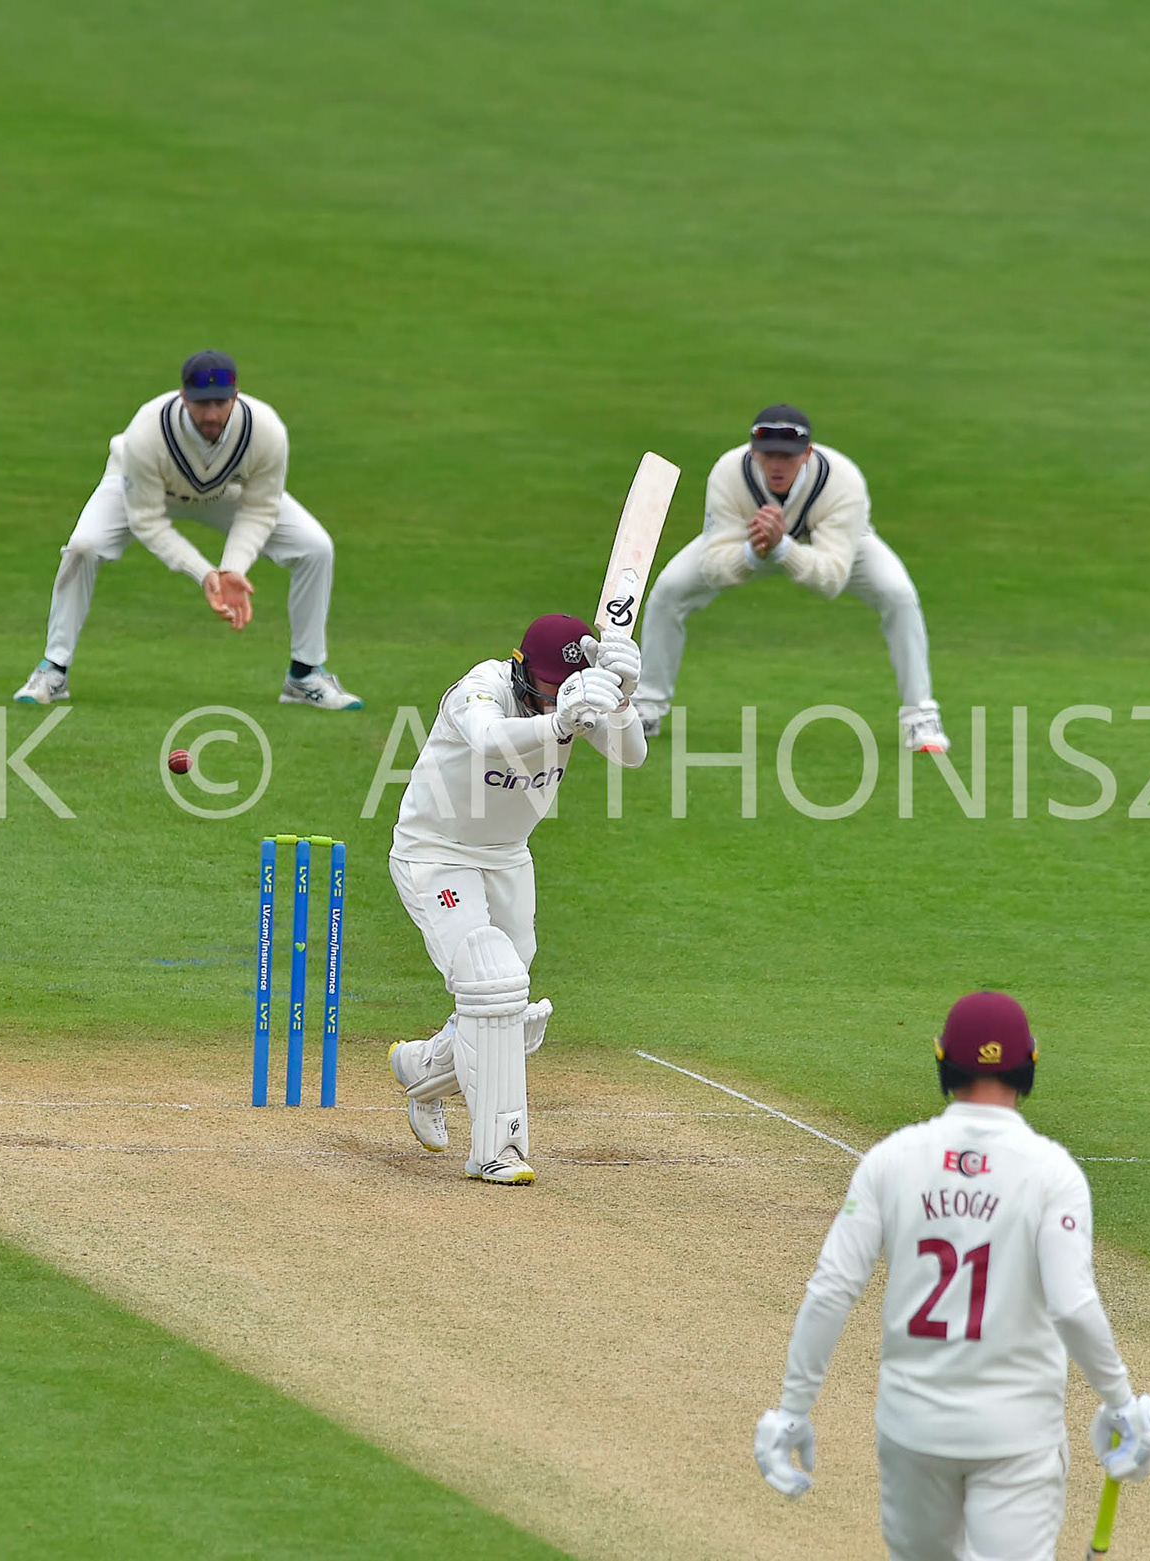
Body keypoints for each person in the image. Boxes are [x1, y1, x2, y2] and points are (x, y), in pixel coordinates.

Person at [754, 991, 1150, 1560]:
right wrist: (1120, 1401)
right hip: (1016, 1434)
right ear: (1029, 1066)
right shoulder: (1054, 1174)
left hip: (913, 1428)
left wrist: (792, 1408)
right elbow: (1071, 1307)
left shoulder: (890, 1160)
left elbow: (831, 1288)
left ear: (944, 1062)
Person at [385, 615, 646, 1184]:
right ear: (521, 667)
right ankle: (497, 1151)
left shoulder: (579, 697)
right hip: (436, 852)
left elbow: (632, 757)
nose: (554, 699)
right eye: (547, 688)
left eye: (564, 689)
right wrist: (562, 722)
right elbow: (487, 738)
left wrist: (621, 698)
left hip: (507, 856)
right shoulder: (481, 687)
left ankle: (423, 1069)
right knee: (490, 986)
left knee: (501, 1002)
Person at [13, 351, 360, 710]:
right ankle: (54, 669)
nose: (211, 414)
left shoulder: (266, 430)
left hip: (224, 490)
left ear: (235, 397)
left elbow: (260, 509)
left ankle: (305, 676)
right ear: (183, 397)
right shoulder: (147, 431)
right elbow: (145, 520)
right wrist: (204, 573)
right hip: (143, 487)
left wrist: (232, 570)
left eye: (220, 403)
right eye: (201, 403)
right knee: (83, 546)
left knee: (315, 547)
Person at [635, 404, 948, 752]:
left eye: (788, 455)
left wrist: (782, 546)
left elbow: (830, 579)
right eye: (768, 455)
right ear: (753, 451)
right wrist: (757, 550)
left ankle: (921, 717)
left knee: (898, 594)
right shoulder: (728, 473)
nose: (777, 465)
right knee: (668, 590)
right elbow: (714, 565)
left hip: (835, 544)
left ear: (808, 454)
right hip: (749, 541)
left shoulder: (843, 480)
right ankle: (646, 708)